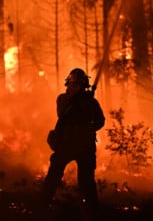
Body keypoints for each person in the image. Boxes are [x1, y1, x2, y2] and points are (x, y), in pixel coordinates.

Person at [40, 68, 105, 220]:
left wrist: (90, 124)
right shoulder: (63, 99)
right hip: (66, 144)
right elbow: (62, 113)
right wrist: (80, 101)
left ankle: (91, 214)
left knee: (87, 184)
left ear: (82, 86)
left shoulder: (91, 102)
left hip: (85, 147)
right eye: (71, 85)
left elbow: (100, 121)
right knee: (53, 177)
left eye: (76, 85)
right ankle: (41, 208)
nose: (72, 87)